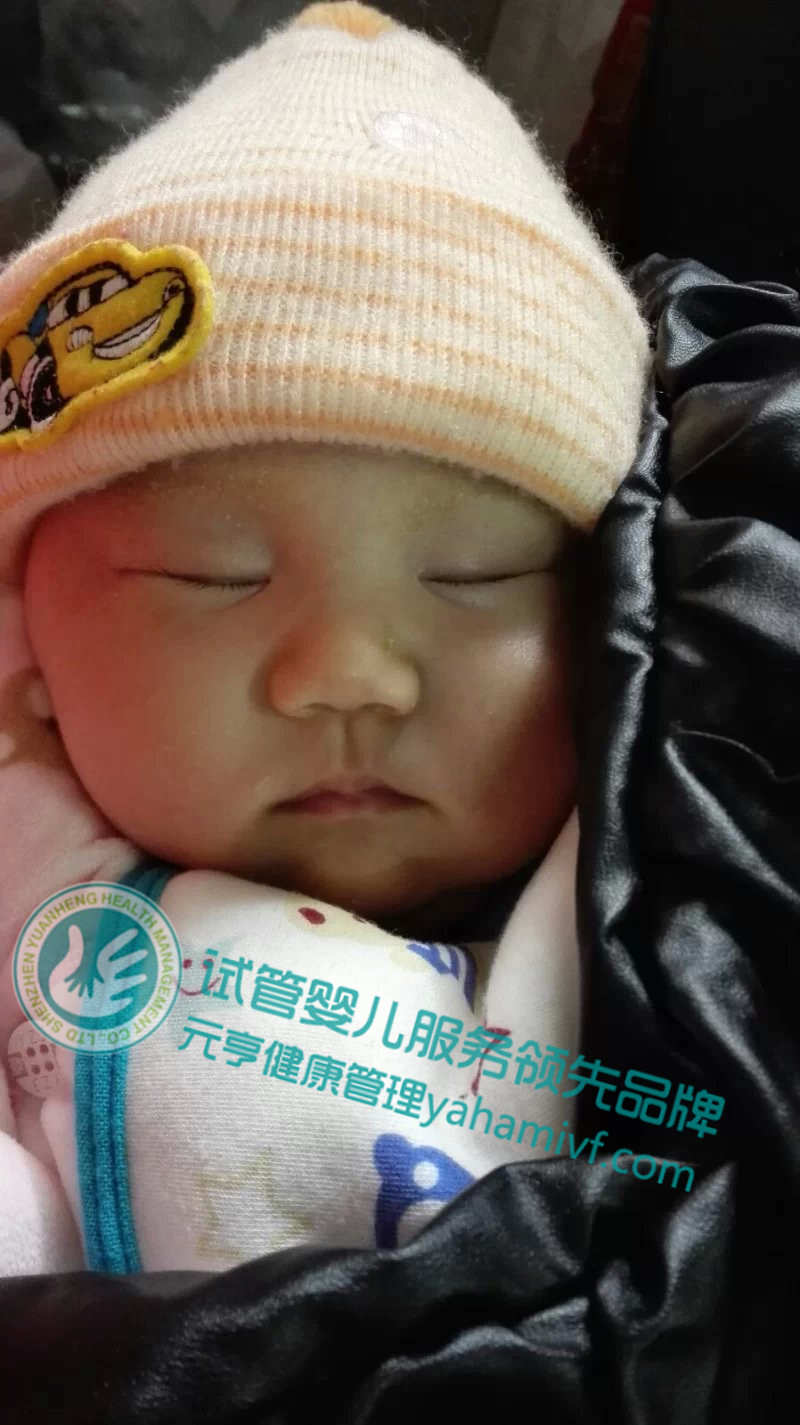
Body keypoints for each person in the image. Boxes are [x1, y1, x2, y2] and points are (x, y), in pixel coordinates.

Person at [0, 1, 650, 1275]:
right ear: (33, 658)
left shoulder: (672, 919)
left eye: (476, 575)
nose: (349, 673)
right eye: (210, 574)